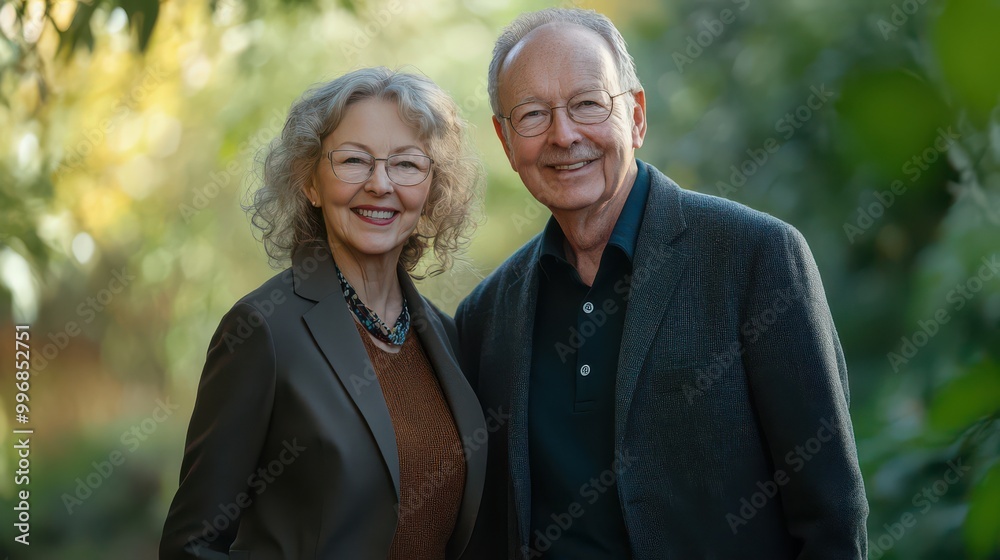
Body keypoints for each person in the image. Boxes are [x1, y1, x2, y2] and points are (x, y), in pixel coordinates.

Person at [456, 8, 868, 559]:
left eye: (587, 104)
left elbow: (831, 516)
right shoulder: (485, 316)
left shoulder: (755, 257)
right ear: (506, 142)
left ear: (637, 117)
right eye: (532, 115)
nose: (564, 135)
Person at [159, 67, 487, 559]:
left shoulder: (446, 336)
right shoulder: (263, 330)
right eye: (354, 160)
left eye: (405, 164)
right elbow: (192, 544)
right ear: (309, 182)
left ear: (430, 191)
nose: (380, 184)